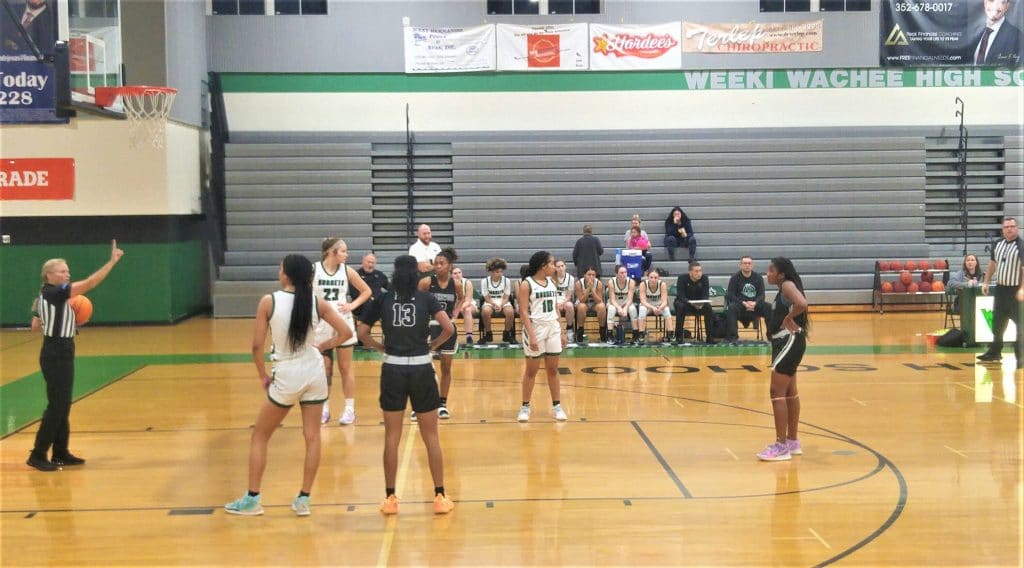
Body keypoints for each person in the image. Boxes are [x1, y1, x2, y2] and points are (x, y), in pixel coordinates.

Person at [224, 254, 353, 516]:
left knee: (260, 435)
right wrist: (323, 346)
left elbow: (257, 345)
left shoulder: (269, 301)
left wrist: (262, 375)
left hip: (287, 374)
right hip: (314, 372)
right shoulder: (317, 302)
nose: (278, 270)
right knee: (313, 437)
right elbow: (346, 333)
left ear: (286, 274)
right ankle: (304, 499)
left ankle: (252, 499)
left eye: (280, 267)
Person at [356, 255, 455, 515]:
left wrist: (380, 347)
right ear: (415, 274)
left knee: (392, 437)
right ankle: (440, 495)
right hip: (421, 367)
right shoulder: (426, 298)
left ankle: (390, 498)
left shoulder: (383, 298)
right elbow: (448, 328)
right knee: (431, 436)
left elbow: (362, 332)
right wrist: (432, 346)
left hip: (393, 367)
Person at [27, 240, 124, 472]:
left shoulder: (46, 295)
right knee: (57, 405)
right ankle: (38, 454)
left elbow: (33, 326)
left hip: (61, 348)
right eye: (62, 270)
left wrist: (64, 318)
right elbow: (90, 283)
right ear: (49, 274)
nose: (67, 273)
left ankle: (60, 452)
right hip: (56, 350)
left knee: (63, 403)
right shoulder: (53, 292)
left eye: (68, 270)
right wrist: (111, 262)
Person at [312, 238, 372, 425]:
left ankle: (349, 409)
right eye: (344, 251)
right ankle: (324, 408)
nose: (347, 254)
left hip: (342, 323)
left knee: (345, 368)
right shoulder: (314, 270)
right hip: (321, 324)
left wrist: (351, 305)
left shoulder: (347, 271)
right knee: (324, 369)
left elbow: (366, 291)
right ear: (332, 252)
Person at [756, 257, 809, 462]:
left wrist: (788, 318)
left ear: (781, 274)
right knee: (789, 391)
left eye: (771, 270)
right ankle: (792, 441)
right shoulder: (785, 287)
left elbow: (802, 303)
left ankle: (781, 446)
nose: (767, 273)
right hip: (787, 342)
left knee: (776, 391)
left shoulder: (787, 285)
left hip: (789, 341)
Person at [516, 251, 569, 422]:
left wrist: (562, 331)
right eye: (552, 264)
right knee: (531, 371)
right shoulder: (527, 284)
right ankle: (525, 407)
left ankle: (557, 406)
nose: (554, 267)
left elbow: (556, 309)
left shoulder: (552, 283)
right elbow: (523, 312)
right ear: (543, 266)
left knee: (553, 369)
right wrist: (531, 336)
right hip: (536, 328)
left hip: (552, 327)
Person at [419, 248, 463, 420]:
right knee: (423, 369)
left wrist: (455, 313)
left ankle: (442, 404)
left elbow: (461, 298)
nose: (437, 266)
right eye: (435, 263)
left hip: (448, 329)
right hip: (429, 327)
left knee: (446, 367)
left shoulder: (456, 284)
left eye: (441, 263)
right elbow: (416, 300)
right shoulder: (426, 282)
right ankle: (420, 404)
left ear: (449, 266)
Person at [976, 217, 1024, 368]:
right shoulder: (997, 243)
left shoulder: (1021, 246)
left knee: (1020, 325)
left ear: (1017, 228)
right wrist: (986, 282)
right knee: (997, 323)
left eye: (1012, 226)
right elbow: (992, 264)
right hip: (1000, 289)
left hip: (1016, 291)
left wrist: (1022, 289)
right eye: (1006, 227)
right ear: (1002, 229)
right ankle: (995, 352)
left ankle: (1020, 357)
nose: (1009, 229)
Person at [725, 256, 771, 343]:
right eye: (744, 263)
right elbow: (730, 295)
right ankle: (733, 337)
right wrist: (743, 303)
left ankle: (771, 336)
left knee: (768, 307)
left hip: (755, 306)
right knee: (731, 308)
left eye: (749, 263)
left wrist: (755, 303)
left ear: (752, 265)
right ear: (740, 265)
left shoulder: (758, 277)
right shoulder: (734, 278)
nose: (747, 265)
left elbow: (762, 295)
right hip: (740, 306)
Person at [969, 0, 1022, 66]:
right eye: (991, 0)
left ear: (1007, 6)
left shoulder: (1017, 36)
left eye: (1001, 2)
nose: (995, 6)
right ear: (985, 3)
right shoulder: (974, 32)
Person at [674, 261, 715, 345]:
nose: (699, 273)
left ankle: (710, 337)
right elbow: (680, 295)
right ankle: (678, 337)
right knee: (680, 307)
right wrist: (690, 303)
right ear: (690, 272)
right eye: (696, 271)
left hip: (699, 304)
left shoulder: (704, 278)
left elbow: (705, 295)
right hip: (685, 303)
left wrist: (701, 303)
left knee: (708, 308)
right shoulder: (682, 278)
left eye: (700, 271)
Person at [480, 257, 515, 344]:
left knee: (510, 311)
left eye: (501, 271)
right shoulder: (484, 281)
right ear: (491, 272)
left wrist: (501, 305)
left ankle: (506, 334)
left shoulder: (507, 281)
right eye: (497, 272)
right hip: (490, 302)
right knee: (485, 311)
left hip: (503, 302)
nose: (500, 274)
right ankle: (488, 333)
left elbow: (506, 297)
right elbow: (487, 298)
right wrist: (494, 304)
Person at [632, 270, 673, 344]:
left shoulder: (662, 284)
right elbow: (643, 301)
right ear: (648, 278)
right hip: (647, 305)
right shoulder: (643, 284)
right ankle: (641, 335)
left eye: (655, 277)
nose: (653, 279)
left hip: (659, 305)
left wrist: (659, 308)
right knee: (642, 310)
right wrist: (653, 308)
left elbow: (665, 301)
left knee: (667, 310)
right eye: (651, 277)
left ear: (658, 278)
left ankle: (671, 334)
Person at [574, 266, 607, 343]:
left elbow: (599, 300)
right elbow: (582, 300)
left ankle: (602, 331)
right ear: (584, 275)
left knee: (602, 306)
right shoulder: (579, 283)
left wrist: (592, 289)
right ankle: (580, 331)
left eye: (593, 275)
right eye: (589, 274)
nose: (591, 276)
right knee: (581, 307)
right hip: (584, 303)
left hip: (595, 303)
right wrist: (588, 289)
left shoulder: (599, 283)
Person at [605, 265, 635, 345]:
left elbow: (630, 299)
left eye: (625, 272)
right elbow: (612, 299)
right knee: (611, 309)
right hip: (614, 303)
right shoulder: (611, 282)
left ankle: (636, 335)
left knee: (632, 310)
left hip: (626, 303)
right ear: (616, 274)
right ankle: (610, 335)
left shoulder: (631, 282)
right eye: (621, 273)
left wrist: (625, 308)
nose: (623, 274)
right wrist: (618, 308)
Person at [452, 266, 478, 345]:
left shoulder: (467, 282)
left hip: (467, 304)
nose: (458, 275)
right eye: (455, 273)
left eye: (459, 272)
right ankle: (449, 337)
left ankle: (469, 336)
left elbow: (468, 300)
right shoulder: (447, 283)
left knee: (466, 310)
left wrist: (459, 308)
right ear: (450, 275)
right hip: (453, 305)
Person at [553, 259, 577, 339]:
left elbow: (569, 296)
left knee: (570, 305)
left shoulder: (571, 278)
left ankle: (569, 328)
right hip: (554, 301)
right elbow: (551, 295)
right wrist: (556, 303)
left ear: (565, 267)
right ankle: (557, 331)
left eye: (562, 266)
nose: (560, 268)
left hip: (565, 301)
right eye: (558, 266)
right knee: (553, 307)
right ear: (555, 268)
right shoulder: (551, 278)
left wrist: (562, 303)